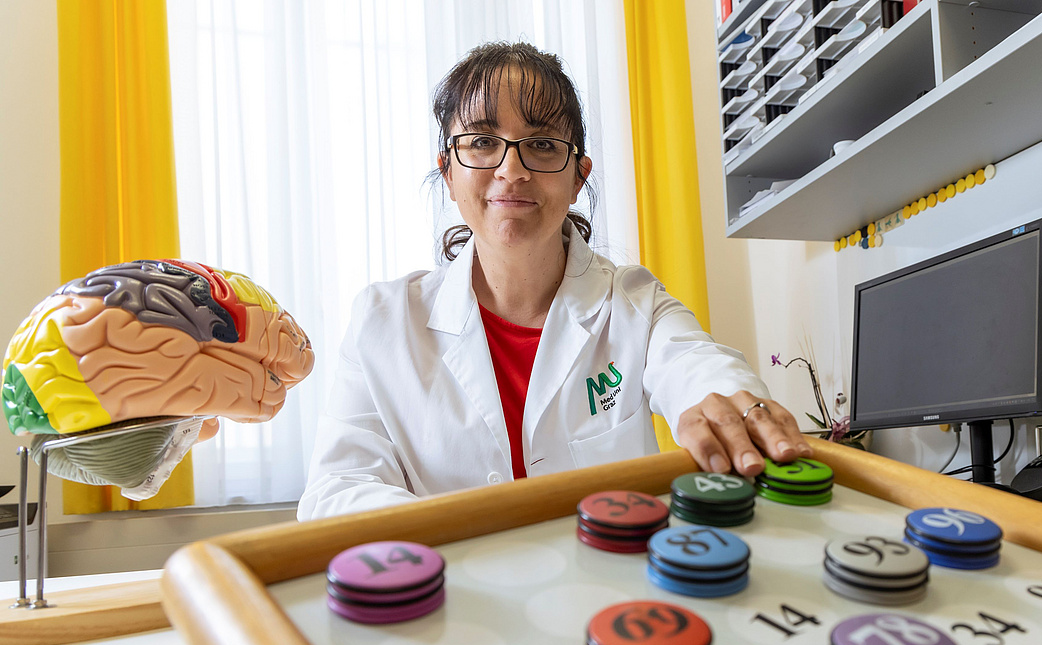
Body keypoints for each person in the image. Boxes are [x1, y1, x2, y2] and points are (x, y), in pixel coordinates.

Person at [298, 42, 810, 521]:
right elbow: (336, 489)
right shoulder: (382, 321)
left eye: (541, 144)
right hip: (454, 600)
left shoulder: (633, 303)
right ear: (449, 172)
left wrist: (729, 403)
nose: (512, 168)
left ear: (578, 176)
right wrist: (470, 537)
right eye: (481, 141)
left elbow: (695, 365)